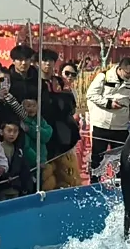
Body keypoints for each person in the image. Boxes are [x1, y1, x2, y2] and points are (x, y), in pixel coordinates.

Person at [86, 57, 130, 182]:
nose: (129, 76)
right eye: (127, 73)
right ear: (120, 69)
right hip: (101, 125)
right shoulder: (103, 76)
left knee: (120, 159)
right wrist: (108, 103)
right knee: (97, 157)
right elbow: (91, 94)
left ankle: (119, 183)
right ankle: (94, 182)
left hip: (121, 127)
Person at [39, 59, 82, 189]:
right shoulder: (40, 86)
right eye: (67, 73)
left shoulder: (68, 91)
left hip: (65, 137)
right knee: (48, 174)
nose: (69, 77)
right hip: (47, 136)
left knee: (68, 174)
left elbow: (71, 110)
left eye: (73, 74)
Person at [0, 120, 33, 200]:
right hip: (1, 188)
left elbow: (24, 169)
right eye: (9, 131)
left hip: (16, 189)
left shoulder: (19, 150)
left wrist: (25, 186)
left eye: (15, 131)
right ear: (1, 132)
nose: (12, 134)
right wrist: (5, 176)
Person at [22, 98, 52, 184]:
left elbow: (46, 136)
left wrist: (31, 129)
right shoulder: (23, 123)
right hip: (29, 164)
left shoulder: (41, 120)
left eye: (34, 106)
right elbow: (26, 147)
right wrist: (38, 161)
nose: (31, 109)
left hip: (41, 161)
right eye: (28, 106)